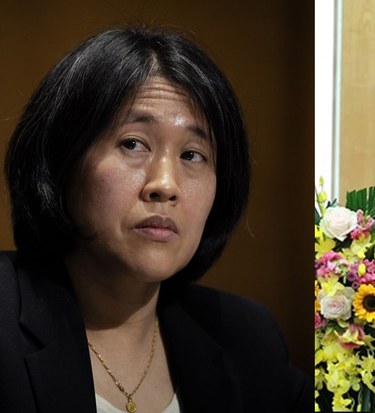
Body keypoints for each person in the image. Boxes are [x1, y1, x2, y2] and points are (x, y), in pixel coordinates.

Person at [0, 26, 310, 412]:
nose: (165, 184)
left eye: (192, 155)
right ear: (61, 161)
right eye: (133, 144)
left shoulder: (248, 339)